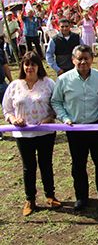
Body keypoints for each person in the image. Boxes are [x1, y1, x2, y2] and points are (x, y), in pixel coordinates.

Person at [51, 45, 98, 210]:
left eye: (86, 58)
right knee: (78, 165)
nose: (83, 62)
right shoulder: (63, 80)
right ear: (73, 60)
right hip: (75, 129)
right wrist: (64, 118)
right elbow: (56, 101)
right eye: (79, 58)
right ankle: (81, 197)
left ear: (92, 59)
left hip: (97, 126)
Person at [2, 52, 60, 216]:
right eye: (27, 64)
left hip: (45, 133)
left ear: (38, 66)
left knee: (46, 164)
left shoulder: (48, 83)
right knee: (29, 167)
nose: (30, 67)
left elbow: (57, 104)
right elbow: (7, 109)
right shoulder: (14, 85)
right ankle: (30, 200)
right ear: (22, 66)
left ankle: (50, 195)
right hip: (23, 135)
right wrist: (13, 119)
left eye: (33, 64)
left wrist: (50, 117)